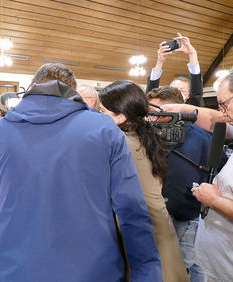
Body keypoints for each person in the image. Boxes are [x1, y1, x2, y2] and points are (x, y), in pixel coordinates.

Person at [0, 63, 162, 281]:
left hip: (10, 268)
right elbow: (131, 209)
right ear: (72, 91)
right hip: (89, 270)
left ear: (32, 87)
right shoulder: (104, 129)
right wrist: (146, 273)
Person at [99, 81, 189, 282]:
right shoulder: (146, 135)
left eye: (102, 110)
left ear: (121, 117)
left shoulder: (121, 143)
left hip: (142, 228)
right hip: (158, 224)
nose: (98, 115)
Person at [147, 86, 225, 281]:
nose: (155, 117)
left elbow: (220, 170)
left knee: (187, 263)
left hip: (188, 216)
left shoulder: (202, 136)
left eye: (161, 111)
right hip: (161, 213)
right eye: (152, 112)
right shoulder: (151, 135)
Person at [188, 70, 233, 281]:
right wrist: (178, 109)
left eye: (224, 104)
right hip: (215, 262)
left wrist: (214, 200)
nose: (222, 112)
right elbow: (212, 122)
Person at [146, 33, 203, 106]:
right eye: (174, 89)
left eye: (182, 90)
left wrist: (192, 54)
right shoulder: (159, 109)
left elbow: (196, 92)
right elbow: (151, 94)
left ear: (188, 96)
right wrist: (160, 61)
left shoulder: (191, 111)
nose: (177, 93)